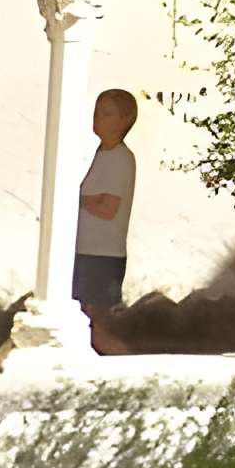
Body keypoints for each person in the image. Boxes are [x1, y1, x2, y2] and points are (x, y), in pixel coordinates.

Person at [73, 86, 139, 354]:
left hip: (102, 256)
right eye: (97, 112)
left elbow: (108, 207)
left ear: (124, 120)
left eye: (107, 113)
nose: (98, 118)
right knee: (86, 328)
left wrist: (76, 199)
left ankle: (130, 375)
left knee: (97, 328)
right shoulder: (102, 154)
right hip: (86, 251)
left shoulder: (122, 159)